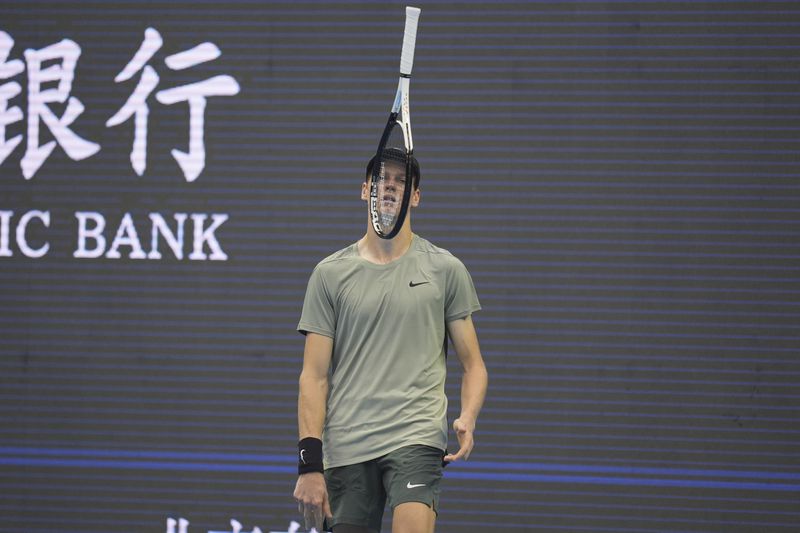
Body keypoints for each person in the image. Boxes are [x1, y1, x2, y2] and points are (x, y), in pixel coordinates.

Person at [293, 151, 488, 533]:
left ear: (414, 196)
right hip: (347, 444)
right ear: (365, 190)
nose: (390, 187)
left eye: (401, 181)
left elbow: (474, 365)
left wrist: (468, 416)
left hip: (416, 435)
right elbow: (313, 377)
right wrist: (309, 464)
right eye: (382, 180)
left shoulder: (445, 269)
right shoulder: (329, 274)